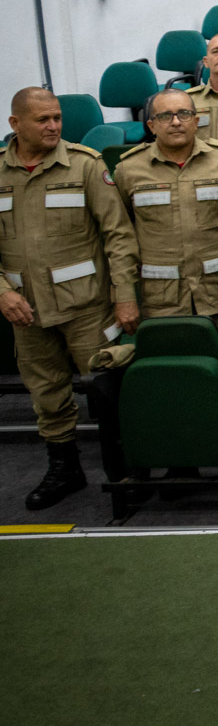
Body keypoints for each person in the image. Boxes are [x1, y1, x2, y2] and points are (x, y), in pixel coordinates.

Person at [0, 88, 140, 508]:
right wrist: (2, 294)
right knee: (47, 394)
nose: (53, 126)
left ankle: (126, 468)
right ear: (15, 125)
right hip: (25, 310)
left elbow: (118, 234)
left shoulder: (84, 164)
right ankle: (64, 467)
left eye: (57, 117)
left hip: (87, 306)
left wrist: (125, 296)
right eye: (42, 119)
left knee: (108, 388)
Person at [114, 90, 218, 361]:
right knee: (171, 375)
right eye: (165, 116)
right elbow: (121, 237)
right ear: (151, 126)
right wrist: (124, 294)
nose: (176, 122)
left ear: (196, 120)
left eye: (184, 114)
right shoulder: (128, 170)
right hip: (162, 300)